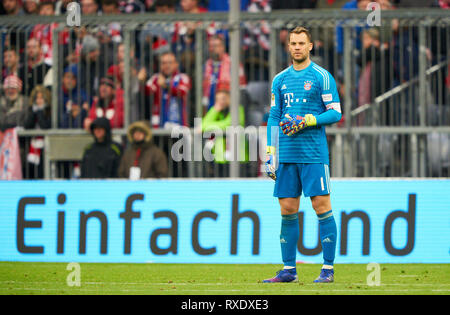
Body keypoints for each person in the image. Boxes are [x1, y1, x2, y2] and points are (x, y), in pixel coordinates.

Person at [264, 27, 342, 283]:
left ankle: (328, 269)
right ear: (288, 47)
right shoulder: (280, 80)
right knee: (287, 208)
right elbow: (274, 116)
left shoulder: (322, 76)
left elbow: (335, 112)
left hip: (313, 154)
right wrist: (270, 150)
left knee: (321, 205)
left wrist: (309, 119)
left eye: (301, 43)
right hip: (286, 153)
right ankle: (289, 270)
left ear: (311, 46)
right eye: (293, 43)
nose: (297, 47)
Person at [201, 87, 247, 176]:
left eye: (223, 99)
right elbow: (203, 126)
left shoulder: (238, 109)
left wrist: (211, 126)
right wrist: (215, 110)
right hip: (220, 159)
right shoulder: (217, 111)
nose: (220, 102)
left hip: (238, 157)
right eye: (217, 100)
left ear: (230, 99)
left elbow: (230, 124)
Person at [140, 51, 191, 128]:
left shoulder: (182, 77)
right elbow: (147, 91)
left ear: (176, 64)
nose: (167, 66)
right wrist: (142, 82)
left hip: (178, 125)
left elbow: (182, 91)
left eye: (170, 63)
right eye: (163, 63)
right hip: (158, 125)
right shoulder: (155, 78)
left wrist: (166, 86)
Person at [202, 35, 247, 111]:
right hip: (209, 106)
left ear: (222, 47)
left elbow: (242, 88)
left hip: (229, 106)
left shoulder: (234, 63)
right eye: (210, 46)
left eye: (215, 46)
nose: (212, 49)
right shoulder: (206, 65)